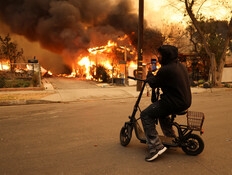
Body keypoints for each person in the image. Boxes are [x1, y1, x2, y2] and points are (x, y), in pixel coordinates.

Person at [141, 45, 192, 162]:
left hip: (174, 102)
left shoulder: (166, 69)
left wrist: (149, 74)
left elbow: (154, 83)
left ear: (166, 56)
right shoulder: (179, 66)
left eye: (160, 55)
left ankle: (155, 147)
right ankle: (170, 137)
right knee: (161, 113)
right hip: (184, 100)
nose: (158, 57)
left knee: (146, 114)